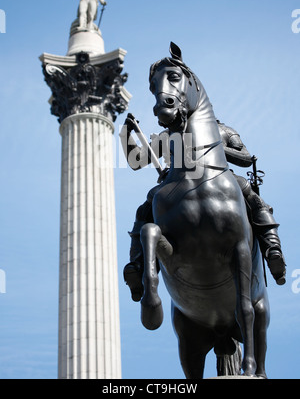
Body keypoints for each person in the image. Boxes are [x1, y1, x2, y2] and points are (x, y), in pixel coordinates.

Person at [120, 116, 286, 302]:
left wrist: (213, 145)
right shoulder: (169, 135)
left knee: (254, 200)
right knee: (145, 210)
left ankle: (272, 250)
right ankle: (138, 265)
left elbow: (245, 158)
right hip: (175, 182)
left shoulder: (223, 130)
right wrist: (125, 133)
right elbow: (137, 161)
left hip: (221, 178)